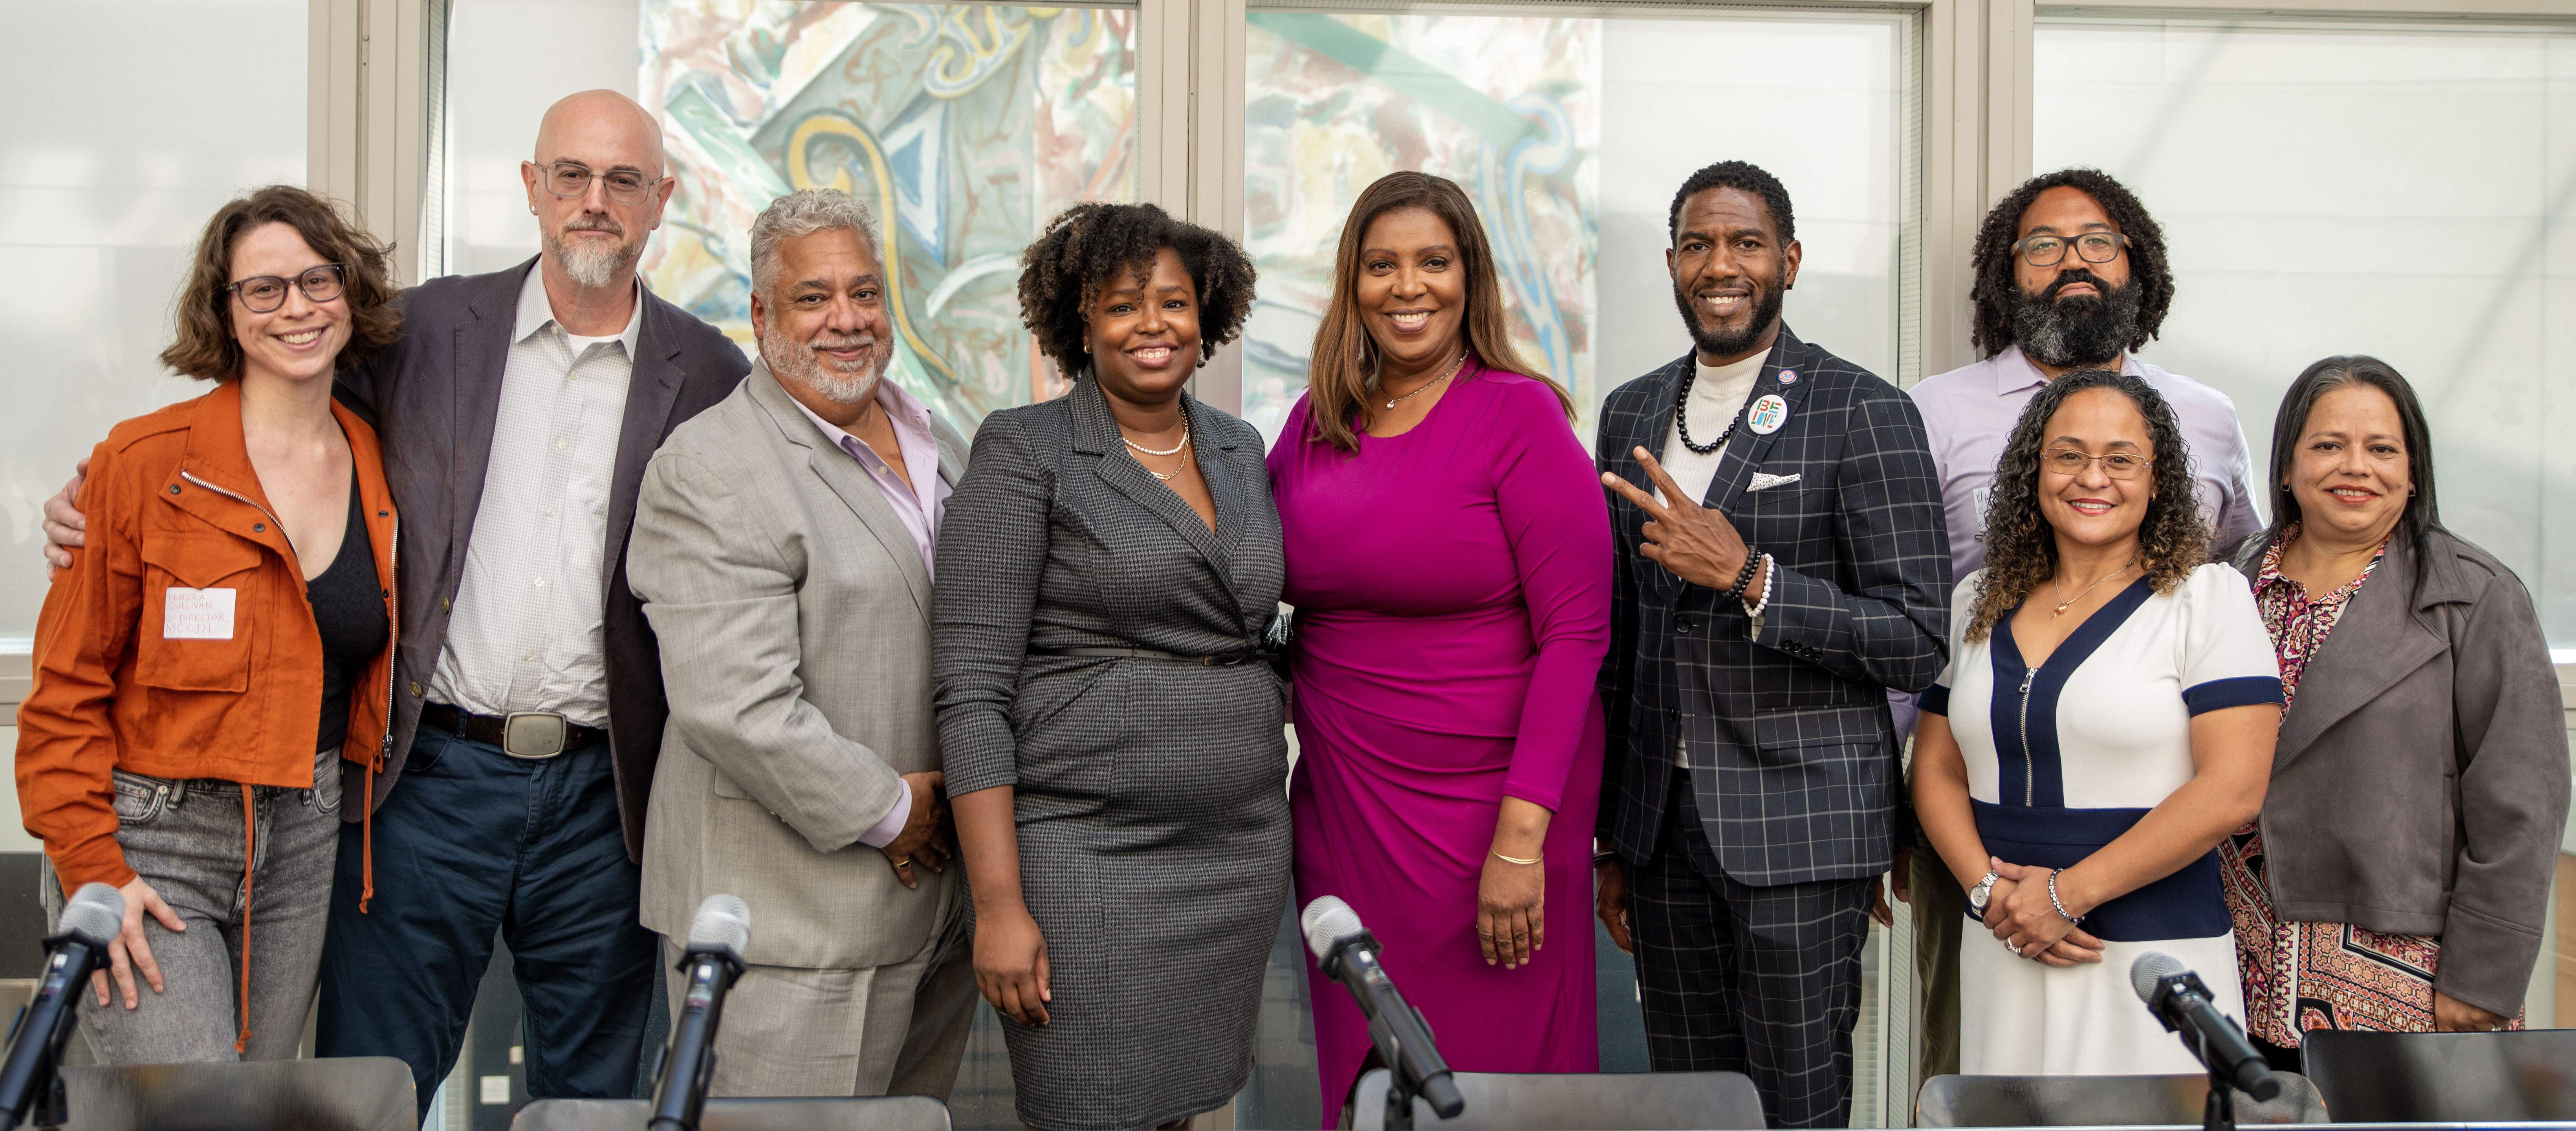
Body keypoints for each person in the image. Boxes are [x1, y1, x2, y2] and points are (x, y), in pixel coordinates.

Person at [43, 90, 752, 1110]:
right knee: (370, 1085)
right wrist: (101, 490)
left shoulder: (710, 373)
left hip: (606, 802)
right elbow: (270, 423)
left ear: (661, 201)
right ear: (531, 188)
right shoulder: (422, 334)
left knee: (591, 1096)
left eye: (624, 181)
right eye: (572, 176)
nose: (594, 202)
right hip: (426, 783)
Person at [1593, 160, 1949, 1129]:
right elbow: (1624, 638)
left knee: (1799, 1106)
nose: (1723, 264)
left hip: (1801, 832)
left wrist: (1755, 580)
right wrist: (1614, 839)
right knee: (1693, 1106)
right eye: (1700, 245)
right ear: (1670, 263)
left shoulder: (1865, 410)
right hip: (1661, 833)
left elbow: (1918, 638)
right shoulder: (1629, 412)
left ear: (1789, 261)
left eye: (1747, 243)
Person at [1893, 167, 2265, 1085]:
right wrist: (1991, 893)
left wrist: (2064, 895)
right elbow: (1934, 754)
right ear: (2030, 473)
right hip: (1999, 928)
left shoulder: (2212, 592)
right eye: (2067, 456)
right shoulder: (1977, 602)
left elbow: (2231, 789)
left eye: (2121, 459)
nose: (2092, 477)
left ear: (2160, 475)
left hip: (2144, 948)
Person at [16, 186, 401, 1061]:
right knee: (191, 1106)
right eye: (263, 289)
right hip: (154, 834)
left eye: (318, 279)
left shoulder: (376, 460)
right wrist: (94, 867)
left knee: (257, 1104)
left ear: (349, 293)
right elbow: (64, 694)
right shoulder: (145, 462)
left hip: (304, 840)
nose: (296, 307)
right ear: (224, 314)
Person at [932, 202, 1285, 1131]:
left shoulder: (1238, 449)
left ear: (1208, 316)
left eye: (1173, 302)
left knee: (1180, 1110)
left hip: (1233, 848)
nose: (1152, 325)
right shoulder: (1025, 450)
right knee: (1087, 1108)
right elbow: (971, 689)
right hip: (1083, 857)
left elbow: (1252, 626)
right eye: (1122, 305)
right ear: (1078, 325)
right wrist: (999, 902)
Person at [1268, 171, 1611, 1115]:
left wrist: (1520, 838)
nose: (1408, 287)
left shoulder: (1520, 416)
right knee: (1367, 1077)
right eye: (1382, 266)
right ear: (1353, 283)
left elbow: (1578, 634)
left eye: (1433, 261)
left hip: (1496, 819)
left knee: (1499, 1088)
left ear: (1471, 276)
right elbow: (1244, 581)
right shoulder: (1313, 426)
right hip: (1345, 816)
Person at [626, 189, 977, 1098]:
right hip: (785, 928)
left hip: (936, 915)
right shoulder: (710, 469)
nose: (847, 320)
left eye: (864, 292)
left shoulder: (940, 442)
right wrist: (903, 812)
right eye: (813, 298)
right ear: (759, 315)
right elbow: (736, 705)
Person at [2215, 357, 2567, 1065]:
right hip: (2232, 961)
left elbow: (2520, 805)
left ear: (2413, 473)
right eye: (2327, 445)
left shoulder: (2476, 597)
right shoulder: (2227, 584)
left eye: (2381, 449)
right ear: (2285, 466)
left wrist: (2483, 975)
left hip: (2410, 978)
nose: (2356, 467)